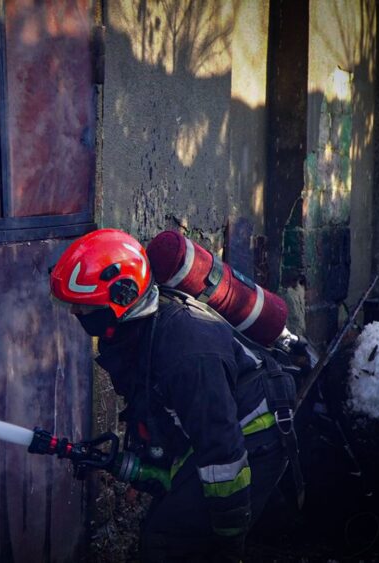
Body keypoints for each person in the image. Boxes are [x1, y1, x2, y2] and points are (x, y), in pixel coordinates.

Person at [49, 228, 295, 562]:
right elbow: (159, 416)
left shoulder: (188, 351)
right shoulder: (134, 331)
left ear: (122, 296)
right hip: (217, 431)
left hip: (253, 435)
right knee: (167, 528)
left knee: (168, 539)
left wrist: (228, 542)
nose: (76, 315)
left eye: (83, 307)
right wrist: (138, 467)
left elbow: (222, 456)